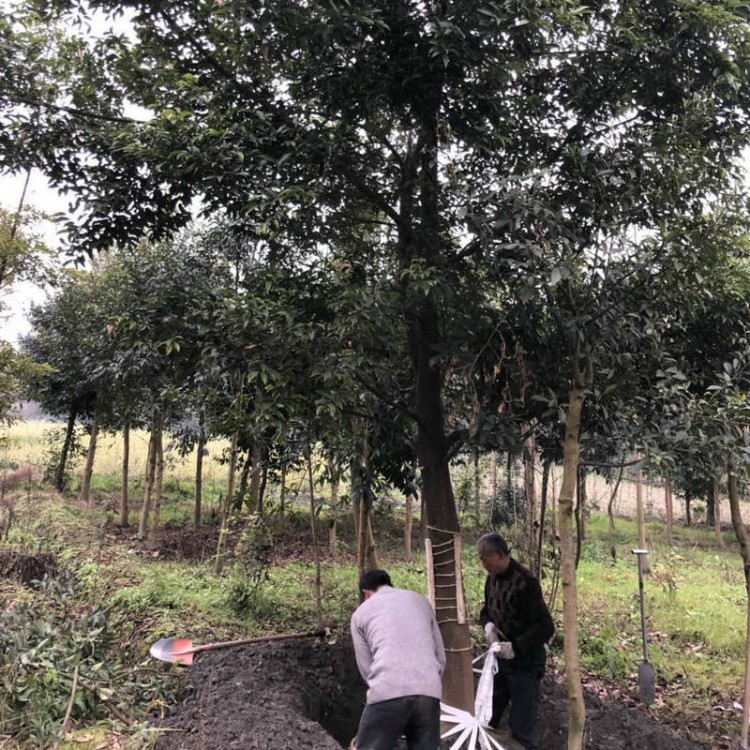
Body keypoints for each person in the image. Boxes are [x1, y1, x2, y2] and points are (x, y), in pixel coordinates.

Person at [350, 568, 446, 750]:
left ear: (365, 593)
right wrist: (425, 685)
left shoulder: (360, 614)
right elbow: (440, 657)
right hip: (429, 690)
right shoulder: (420, 601)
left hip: (387, 689)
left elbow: (366, 668)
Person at [477, 533, 554, 750]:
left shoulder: (525, 582)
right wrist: (488, 626)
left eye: (485, 558)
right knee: (489, 714)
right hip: (499, 660)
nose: (483, 564)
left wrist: (516, 647)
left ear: (500, 555)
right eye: (480, 559)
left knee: (521, 725)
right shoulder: (492, 578)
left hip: (525, 663)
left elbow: (546, 627)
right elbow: (486, 610)